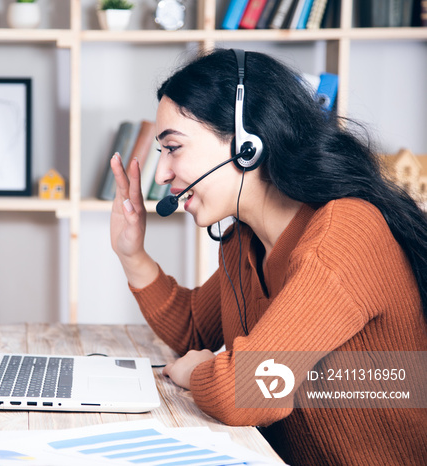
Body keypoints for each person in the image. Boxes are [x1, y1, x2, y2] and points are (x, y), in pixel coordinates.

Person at [109, 48, 427, 465]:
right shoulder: (246, 240)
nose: (161, 175)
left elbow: (250, 390)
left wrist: (195, 373)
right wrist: (131, 252)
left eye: (173, 148)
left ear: (246, 144)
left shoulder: (348, 233)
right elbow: (194, 331)